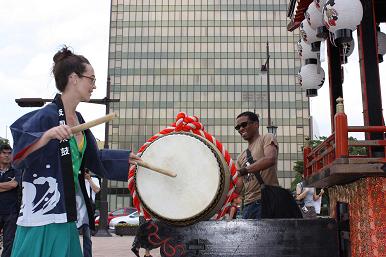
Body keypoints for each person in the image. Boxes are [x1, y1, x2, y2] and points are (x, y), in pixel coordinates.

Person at [9, 46, 141, 257]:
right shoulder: (46, 116)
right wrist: (47, 135)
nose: (94, 85)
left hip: (66, 212)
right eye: (91, 79)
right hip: (44, 213)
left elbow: (93, 158)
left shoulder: (78, 120)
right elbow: (18, 155)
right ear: (74, 78)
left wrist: (125, 158)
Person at [234, 111, 279, 219]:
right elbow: (239, 186)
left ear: (256, 124)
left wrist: (243, 171)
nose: (240, 129)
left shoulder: (267, 138)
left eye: (244, 124)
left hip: (265, 201)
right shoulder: (240, 157)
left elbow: (270, 159)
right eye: (237, 127)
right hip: (248, 205)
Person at [0, 144, 21, 257]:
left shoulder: (16, 169)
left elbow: (14, 184)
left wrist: (10, 184)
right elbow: (10, 184)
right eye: (4, 153)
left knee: (9, 242)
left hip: (11, 212)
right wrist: (7, 185)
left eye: (9, 153)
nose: (7, 156)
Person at [77, 168, 100, 257]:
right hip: (78, 209)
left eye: (86, 171)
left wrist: (89, 179)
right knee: (74, 234)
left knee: (87, 236)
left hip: (88, 210)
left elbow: (97, 190)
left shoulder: (94, 179)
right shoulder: (77, 179)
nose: (85, 173)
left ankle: (87, 255)